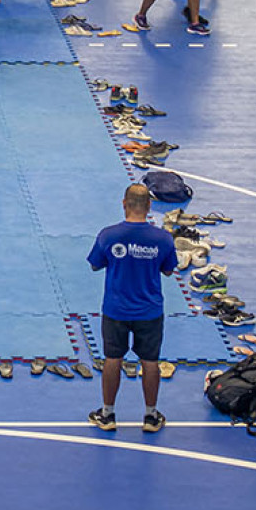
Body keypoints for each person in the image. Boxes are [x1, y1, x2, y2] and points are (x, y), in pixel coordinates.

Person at [86, 184, 176, 434]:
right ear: (149, 206)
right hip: (149, 311)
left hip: (116, 309)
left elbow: (95, 265)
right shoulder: (163, 238)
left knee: (112, 359)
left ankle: (107, 414)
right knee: (150, 361)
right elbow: (169, 270)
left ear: (124, 203)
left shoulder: (108, 235)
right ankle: (151, 416)